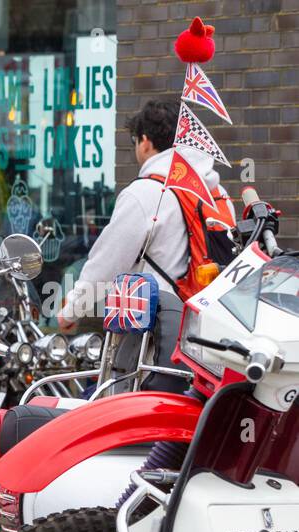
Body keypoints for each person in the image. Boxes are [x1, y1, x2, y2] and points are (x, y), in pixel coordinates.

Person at [57, 100, 233, 390]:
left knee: (117, 415)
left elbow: (106, 264)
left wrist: (70, 311)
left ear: (146, 142)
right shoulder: (214, 190)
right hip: (207, 339)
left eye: (135, 141)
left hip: (152, 339)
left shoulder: (146, 193)